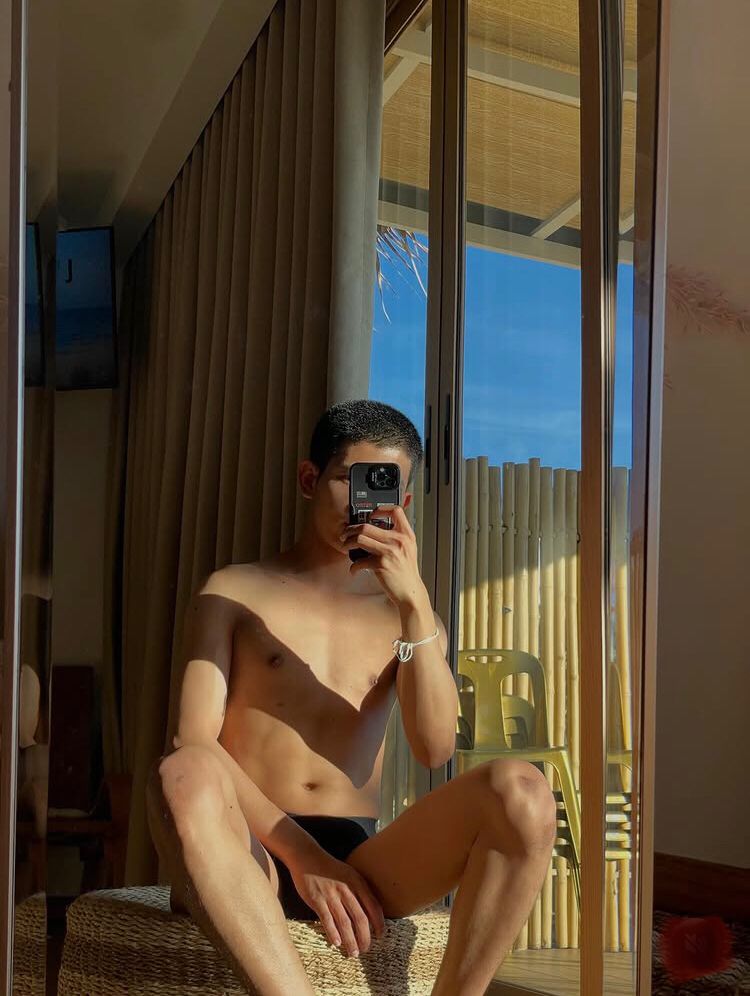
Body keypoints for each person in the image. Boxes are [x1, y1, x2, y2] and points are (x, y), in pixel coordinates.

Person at [147, 399, 557, 996]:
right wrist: (305, 858)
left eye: (383, 488)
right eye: (349, 480)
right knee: (183, 770)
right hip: (246, 841)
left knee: (522, 790)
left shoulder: (406, 616)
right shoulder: (234, 590)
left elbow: (435, 748)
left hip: (359, 855)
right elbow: (193, 739)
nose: (364, 503)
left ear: (403, 502)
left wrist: (414, 604)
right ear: (309, 479)